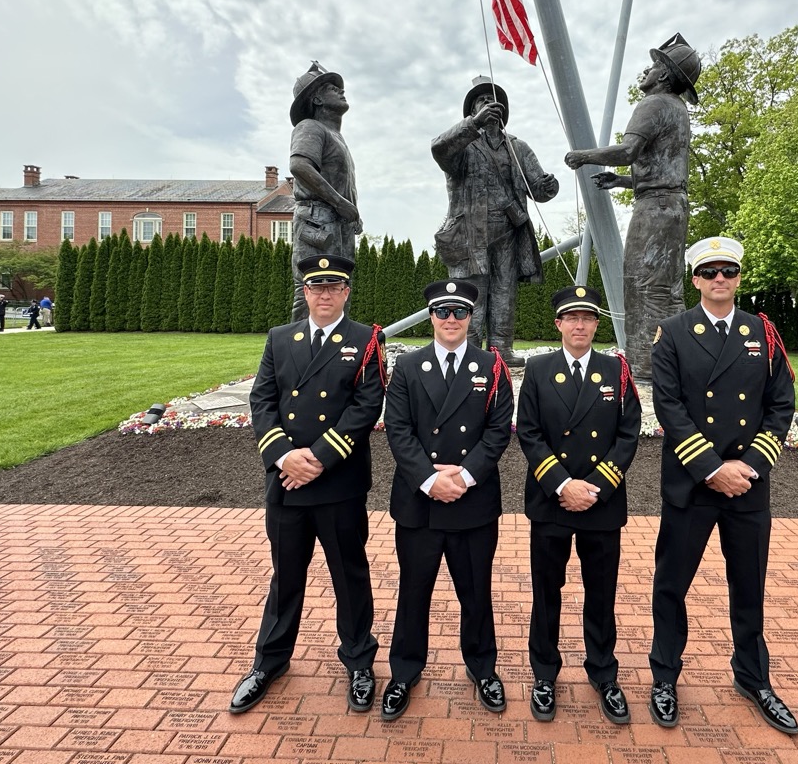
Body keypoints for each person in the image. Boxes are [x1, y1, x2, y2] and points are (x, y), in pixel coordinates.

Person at [647, 236, 798, 735]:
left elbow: (780, 407)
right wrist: (713, 467)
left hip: (748, 487)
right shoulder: (671, 332)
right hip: (694, 483)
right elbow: (669, 406)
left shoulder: (763, 333)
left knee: (749, 586)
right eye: (709, 271)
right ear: (695, 279)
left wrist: (749, 465)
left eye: (728, 272)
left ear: (738, 278)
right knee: (672, 585)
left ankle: (754, 678)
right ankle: (665, 676)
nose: (719, 279)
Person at [230, 254, 387, 715]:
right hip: (286, 482)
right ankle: (269, 662)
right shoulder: (281, 338)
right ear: (306, 292)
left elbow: (367, 403)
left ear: (345, 292)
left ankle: (359, 662)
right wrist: (283, 455)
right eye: (315, 286)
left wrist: (317, 458)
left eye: (333, 286)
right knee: (286, 576)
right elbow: (262, 398)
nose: (323, 294)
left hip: (337, 483)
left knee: (350, 576)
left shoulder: (365, 340)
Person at [380, 280, 515, 721]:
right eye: (442, 312)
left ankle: (483, 668)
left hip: (472, 500)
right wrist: (428, 480)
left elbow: (499, 430)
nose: (451, 319)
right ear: (431, 317)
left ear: (470, 317)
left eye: (459, 312)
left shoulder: (491, 366)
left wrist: (466, 475)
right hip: (420, 501)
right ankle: (404, 672)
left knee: (476, 593)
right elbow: (398, 430)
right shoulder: (408, 366)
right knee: (413, 592)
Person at [516, 285, 640, 725]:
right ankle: (544, 674)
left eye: (587, 317)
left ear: (596, 324)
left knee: (601, 593)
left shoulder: (616, 370)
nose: (580, 325)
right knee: (546, 593)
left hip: (600, 503)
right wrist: (562, 484)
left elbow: (629, 433)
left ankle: (604, 673)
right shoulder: (538, 369)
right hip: (552, 501)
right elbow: (528, 433)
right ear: (558, 324)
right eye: (572, 318)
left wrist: (596, 488)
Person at [564, 33, 702, 384]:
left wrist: (584, 155)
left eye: (655, 65)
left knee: (642, 285)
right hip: (672, 205)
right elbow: (664, 171)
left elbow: (628, 152)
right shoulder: (678, 109)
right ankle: (674, 366)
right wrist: (622, 181)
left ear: (665, 76)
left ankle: (645, 368)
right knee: (668, 288)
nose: (647, 69)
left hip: (655, 209)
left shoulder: (654, 104)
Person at [431, 77, 559, 367]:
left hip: (508, 234)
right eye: (481, 100)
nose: (490, 104)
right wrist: (473, 124)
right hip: (469, 235)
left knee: (504, 292)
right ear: (472, 112)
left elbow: (538, 189)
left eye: (493, 99)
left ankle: (502, 348)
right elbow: (438, 149)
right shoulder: (463, 145)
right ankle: (469, 348)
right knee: (470, 294)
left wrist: (549, 185)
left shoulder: (518, 147)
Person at [289, 62, 362, 322]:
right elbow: (299, 165)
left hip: (338, 224)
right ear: (317, 98)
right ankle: (298, 356)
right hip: (317, 222)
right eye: (333, 88)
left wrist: (352, 212)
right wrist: (340, 202)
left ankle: (335, 355)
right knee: (313, 291)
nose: (341, 91)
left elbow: (342, 181)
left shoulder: (336, 136)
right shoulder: (310, 127)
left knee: (340, 291)